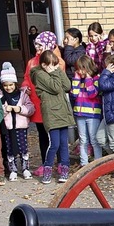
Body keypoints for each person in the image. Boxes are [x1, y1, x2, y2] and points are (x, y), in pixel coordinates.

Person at [21, 31, 66, 176]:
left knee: (57, 137)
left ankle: (60, 163)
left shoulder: (58, 62)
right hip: (37, 103)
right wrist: (25, 86)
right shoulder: (32, 62)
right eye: (36, 45)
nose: (37, 48)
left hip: (53, 104)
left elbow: (58, 83)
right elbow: (26, 78)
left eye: (40, 45)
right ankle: (45, 163)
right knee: (42, 134)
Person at [30, 50, 74, 184]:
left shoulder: (54, 71)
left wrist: (59, 71)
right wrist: (56, 73)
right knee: (54, 144)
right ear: (43, 65)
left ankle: (65, 169)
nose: (53, 67)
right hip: (51, 113)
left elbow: (67, 86)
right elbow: (55, 88)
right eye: (51, 65)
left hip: (62, 112)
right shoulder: (39, 74)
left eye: (55, 64)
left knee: (64, 144)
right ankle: (47, 168)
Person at [0, 62, 34, 181]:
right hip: (8, 127)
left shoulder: (22, 94)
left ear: (15, 83)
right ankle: (12, 169)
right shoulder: (1, 96)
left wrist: (19, 109)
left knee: (23, 147)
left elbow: (30, 108)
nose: (8, 88)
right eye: (5, 85)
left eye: (10, 85)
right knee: (10, 148)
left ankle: (25, 168)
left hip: (21, 126)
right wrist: (5, 110)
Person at [71, 55, 103, 166]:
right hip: (80, 114)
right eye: (78, 68)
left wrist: (89, 79)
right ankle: (83, 163)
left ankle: (98, 163)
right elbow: (74, 94)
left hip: (93, 114)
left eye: (82, 68)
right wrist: (76, 79)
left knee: (94, 139)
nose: (80, 71)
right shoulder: (78, 79)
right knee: (83, 140)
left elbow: (92, 94)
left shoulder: (96, 79)